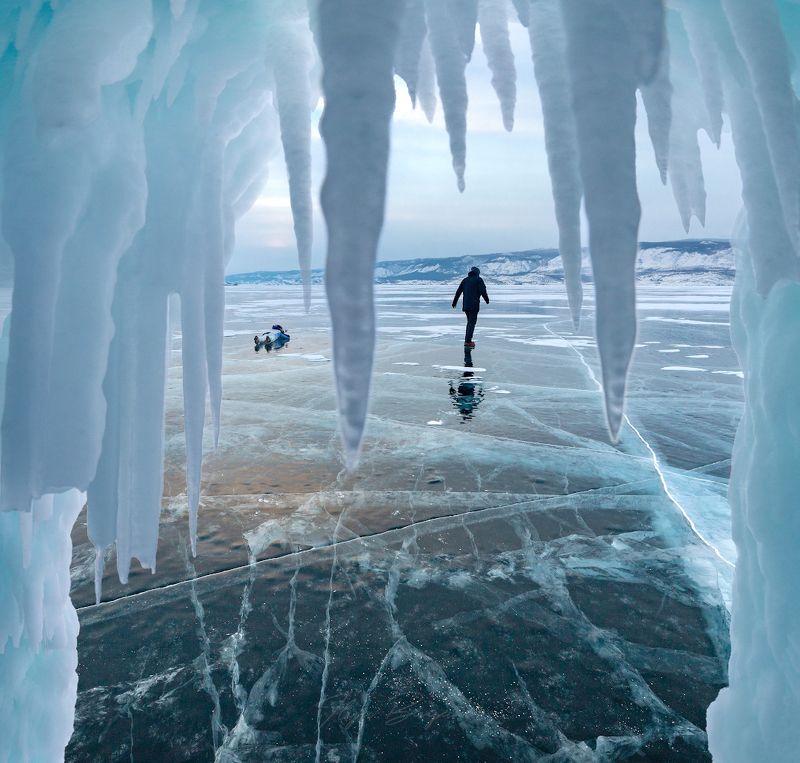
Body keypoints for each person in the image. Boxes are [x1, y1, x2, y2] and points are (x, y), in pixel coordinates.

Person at [451, 266, 489, 348]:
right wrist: (487, 300)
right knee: (471, 323)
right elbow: (483, 291)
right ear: (477, 273)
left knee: (469, 323)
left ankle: (467, 340)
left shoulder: (465, 280)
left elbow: (458, 292)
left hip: (466, 305)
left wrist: (454, 302)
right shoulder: (479, 280)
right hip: (474, 305)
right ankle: (468, 341)